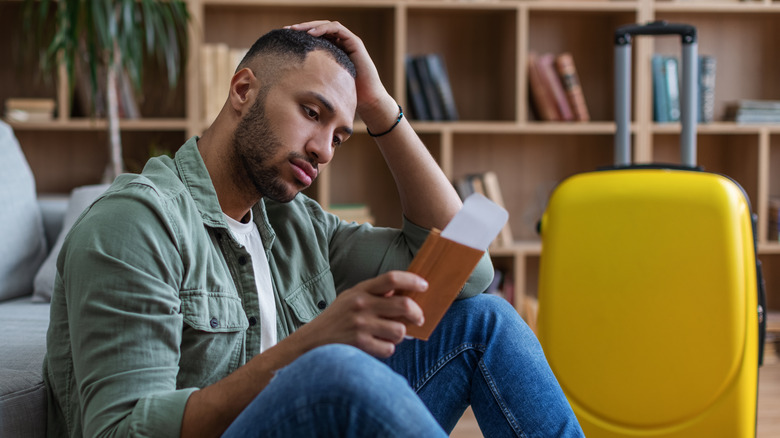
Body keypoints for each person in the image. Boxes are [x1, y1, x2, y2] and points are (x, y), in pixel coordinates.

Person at [43, 21, 584, 437]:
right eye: (311, 111)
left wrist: (379, 108)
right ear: (242, 90)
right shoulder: (137, 223)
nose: (324, 150)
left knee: (484, 319)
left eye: (341, 135)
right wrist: (311, 346)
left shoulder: (292, 221)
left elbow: (466, 274)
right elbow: (118, 430)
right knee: (335, 373)